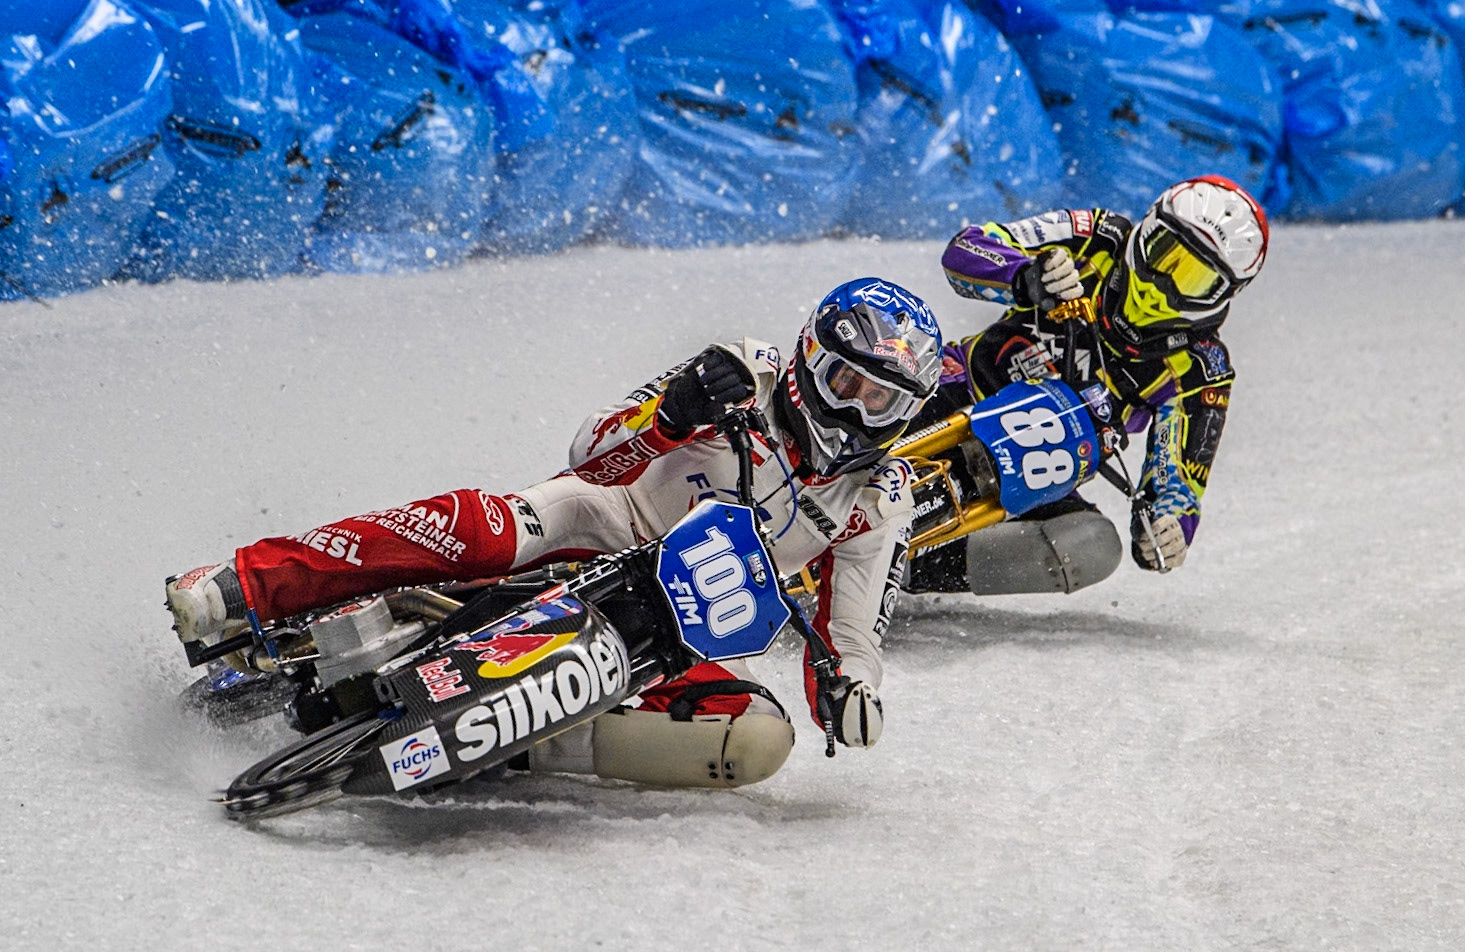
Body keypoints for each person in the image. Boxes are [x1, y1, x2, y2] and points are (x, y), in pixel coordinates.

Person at [166, 278, 943, 788]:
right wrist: (673, 411)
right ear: (812, 357)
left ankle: (512, 749)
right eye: (845, 382)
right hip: (598, 522)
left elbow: (851, 631)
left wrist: (851, 689)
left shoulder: (880, 496)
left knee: (756, 741)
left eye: (879, 401)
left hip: (672, 631)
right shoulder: (746, 371)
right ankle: (247, 585)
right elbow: (591, 450)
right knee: (492, 526)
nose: (852, 412)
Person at [904, 175, 1269, 596]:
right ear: (1145, 230)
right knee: (883, 375)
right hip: (962, 387)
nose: (1159, 287)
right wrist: (1024, 276)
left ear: (1223, 295)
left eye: (1192, 280)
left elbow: (1176, 485)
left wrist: (1166, 529)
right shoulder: (1098, 236)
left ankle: (909, 571)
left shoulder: (1202, 370)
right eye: (1162, 254)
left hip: (1033, 477)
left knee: (1091, 546)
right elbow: (966, 248)